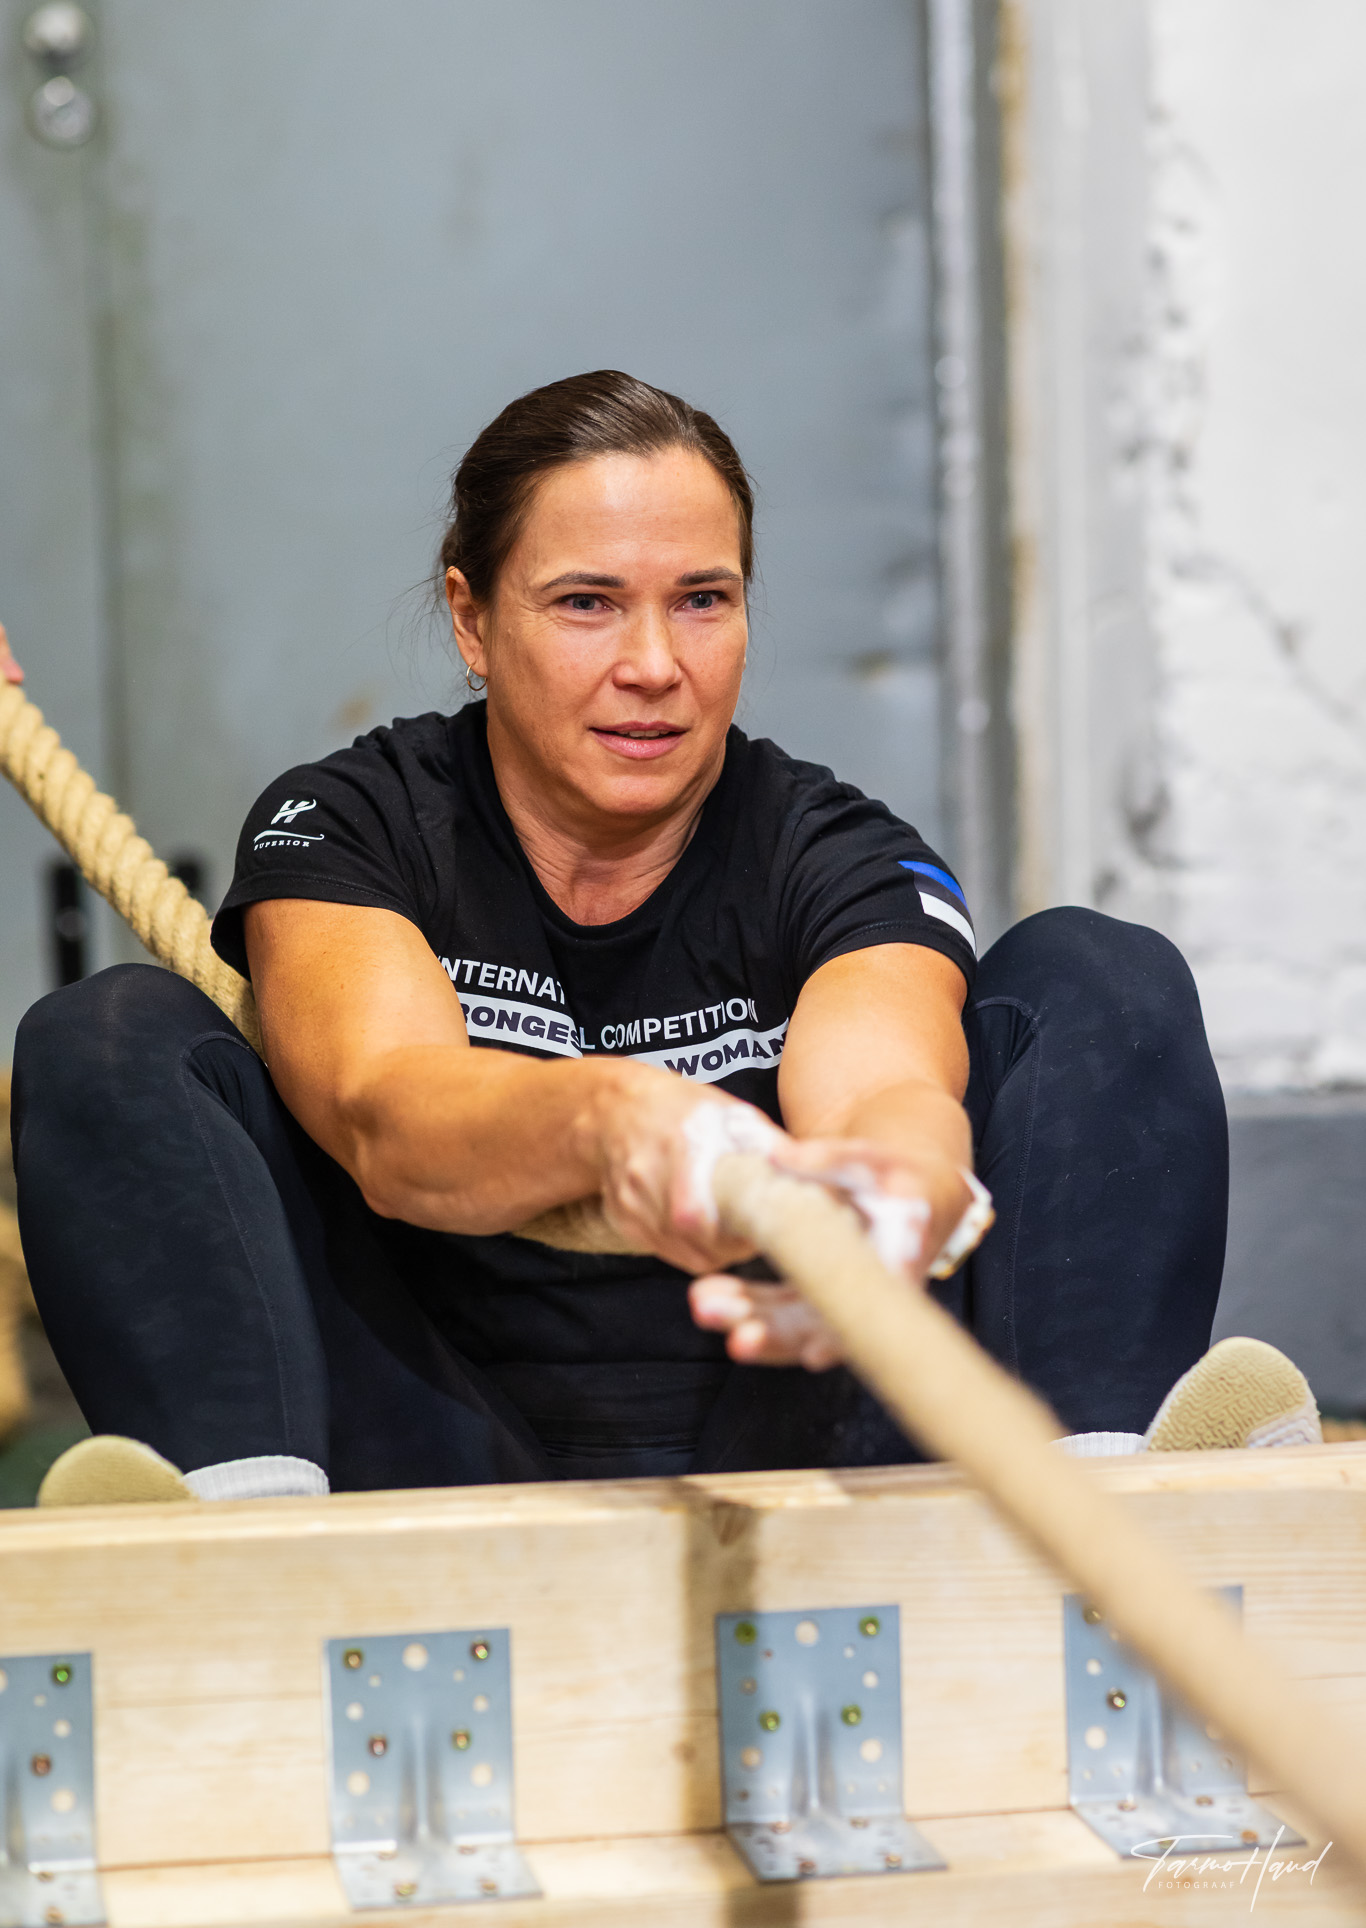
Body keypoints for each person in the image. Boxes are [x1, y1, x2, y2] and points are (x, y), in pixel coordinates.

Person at [8, 372, 1249, 1506]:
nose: (654, 664)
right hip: (425, 1442)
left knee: (1100, 972)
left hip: (798, 1432)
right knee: (109, 1032)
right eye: (586, 603)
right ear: (471, 619)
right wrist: (607, 1118)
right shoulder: (356, 822)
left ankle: (1110, 1531)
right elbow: (388, 1114)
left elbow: (884, 1087)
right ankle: (242, 1531)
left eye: (702, 600)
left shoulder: (834, 849)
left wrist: (890, 1199)